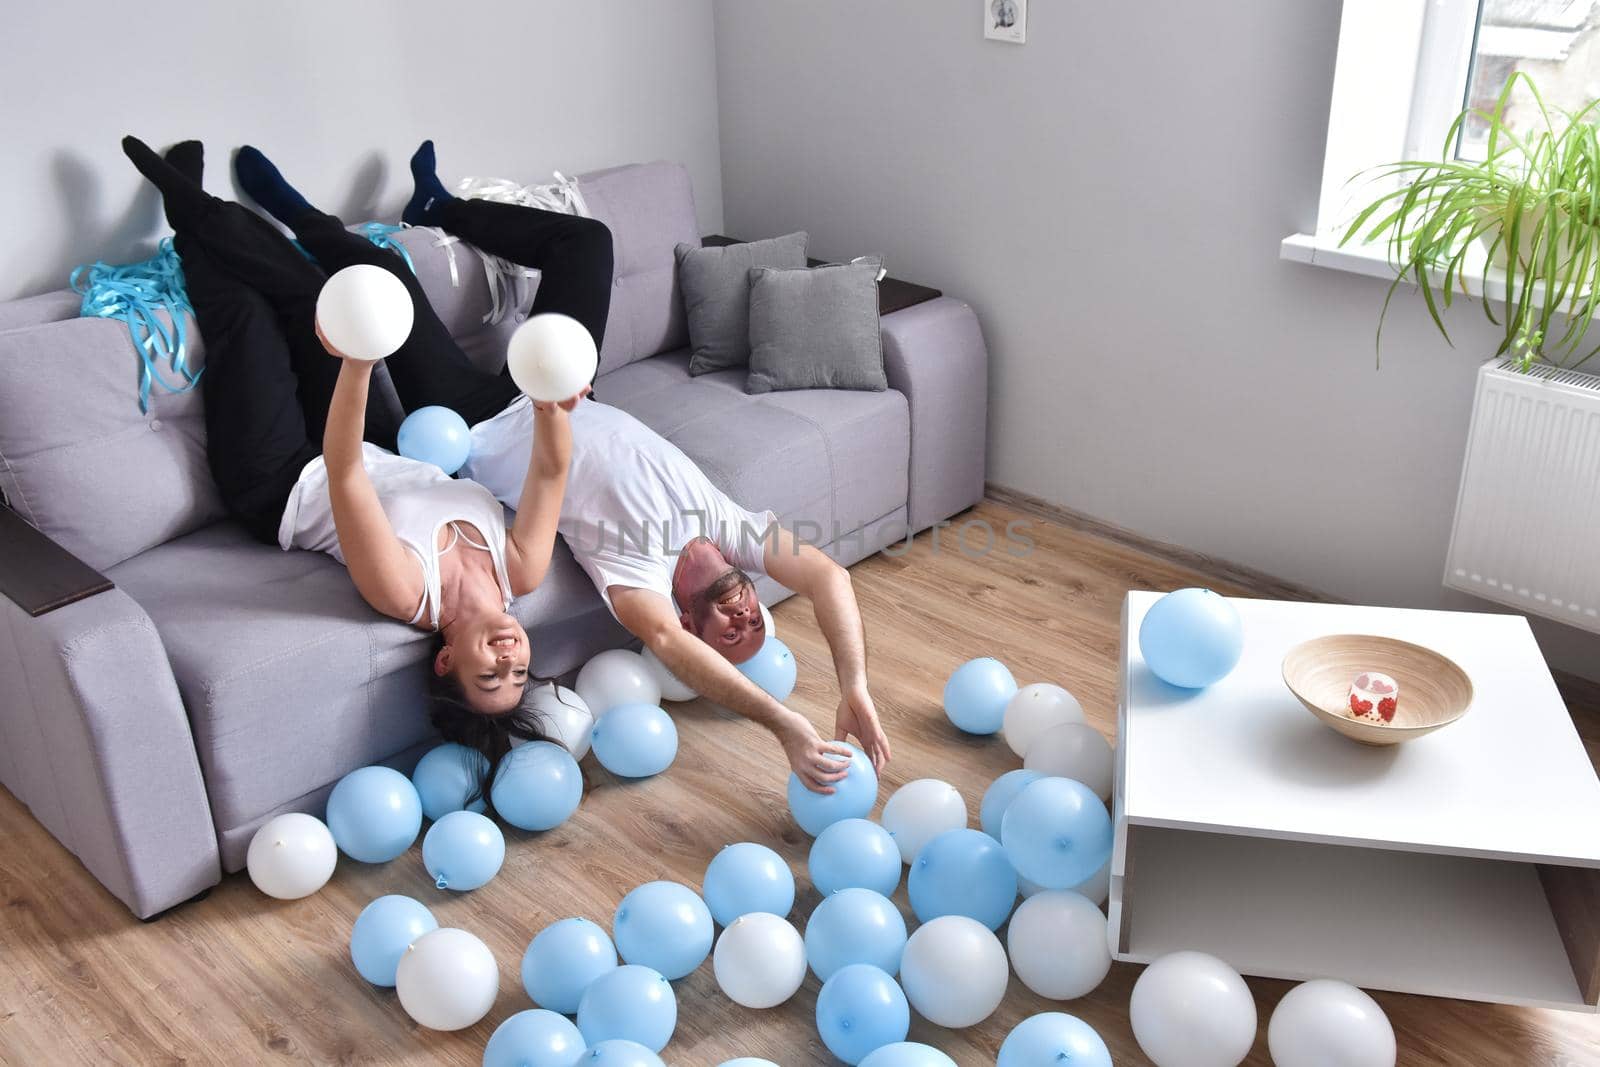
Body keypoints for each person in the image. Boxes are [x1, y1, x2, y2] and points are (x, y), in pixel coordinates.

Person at [118, 137, 603, 747]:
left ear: (447, 661)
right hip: (365, 446)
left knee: (244, 317)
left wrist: (357, 361)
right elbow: (551, 473)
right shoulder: (522, 571)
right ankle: (193, 209)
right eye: (519, 672)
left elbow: (344, 477)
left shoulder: (404, 592)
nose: (508, 658)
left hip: (279, 480)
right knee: (310, 295)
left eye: (490, 676)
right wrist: (553, 401)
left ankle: (185, 203)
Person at [462, 386, 894, 792]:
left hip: (486, 415)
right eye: (755, 621)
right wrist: (855, 686)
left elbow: (666, 640)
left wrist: (785, 724)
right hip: (567, 386)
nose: (744, 619)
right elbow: (831, 578)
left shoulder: (638, 577)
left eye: (730, 634)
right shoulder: (732, 528)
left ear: (689, 625)